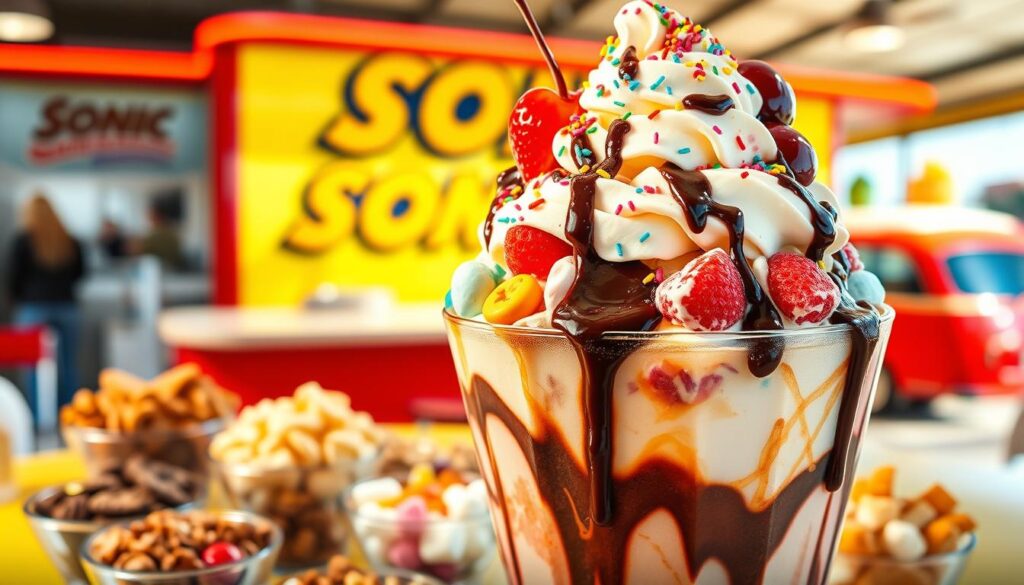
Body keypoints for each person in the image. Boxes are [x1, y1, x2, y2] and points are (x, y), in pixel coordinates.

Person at [6, 194, 85, 419]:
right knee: (68, 365)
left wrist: (22, 297)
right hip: (66, 306)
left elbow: (13, 278)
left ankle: (39, 417)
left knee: (34, 367)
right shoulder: (69, 240)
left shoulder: (23, 241)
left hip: (34, 307)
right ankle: (70, 415)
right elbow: (80, 273)